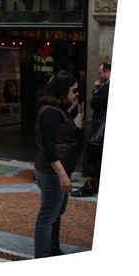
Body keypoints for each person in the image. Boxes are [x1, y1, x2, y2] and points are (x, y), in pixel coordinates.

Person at [34, 71, 79, 258]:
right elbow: (49, 148)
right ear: (63, 90)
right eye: (73, 90)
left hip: (57, 170)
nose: (76, 94)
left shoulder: (57, 109)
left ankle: (53, 249)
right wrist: (62, 175)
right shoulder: (51, 112)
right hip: (51, 171)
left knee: (56, 212)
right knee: (47, 216)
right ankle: (43, 255)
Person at [73, 61, 110, 197]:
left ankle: (90, 186)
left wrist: (97, 89)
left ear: (107, 72)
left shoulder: (107, 87)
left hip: (100, 128)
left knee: (93, 154)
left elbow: (94, 103)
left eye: (101, 73)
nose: (99, 76)